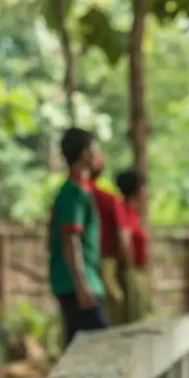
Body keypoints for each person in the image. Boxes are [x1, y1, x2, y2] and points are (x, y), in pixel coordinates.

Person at [47, 128, 109, 344]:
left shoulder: (82, 190)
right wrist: (82, 285)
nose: (98, 154)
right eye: (94, 148)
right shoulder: (72, 193)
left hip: (87, 281)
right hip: (77, 285)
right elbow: (70, 239)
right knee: (95, 343)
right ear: (84, 153)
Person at [88, 148, 133, 325]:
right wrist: (126, 263)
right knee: (115, 303)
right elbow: (123, 238)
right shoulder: (109, 200)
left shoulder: (74, 195)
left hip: (91, 263)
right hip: (107, 262)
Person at [115, 169, 152, 323]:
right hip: (132, 273)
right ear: (139, 190)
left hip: (139, 271)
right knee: (134, 317)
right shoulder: (125, 210)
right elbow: (124, 237)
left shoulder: (134, 213)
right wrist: (129, 267)